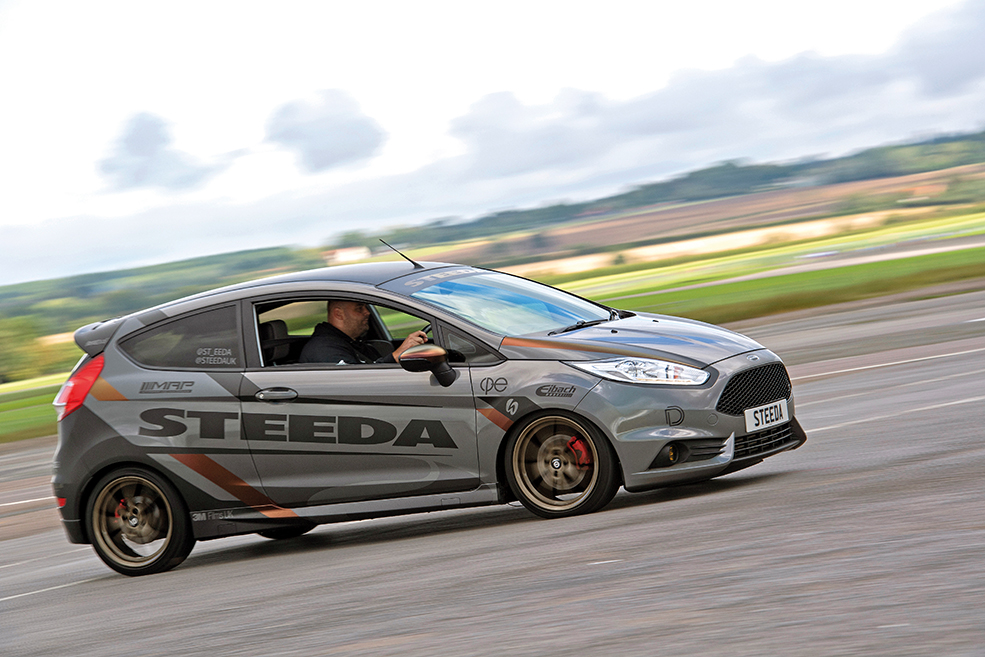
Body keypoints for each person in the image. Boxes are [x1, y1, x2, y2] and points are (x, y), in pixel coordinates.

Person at [299, 300, 428, 365]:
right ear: (338, 314)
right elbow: (358, 384)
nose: (367, 312)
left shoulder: (354, 343)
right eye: (359, 308)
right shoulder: (324, 349)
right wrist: (395, 357)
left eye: (366, 307)